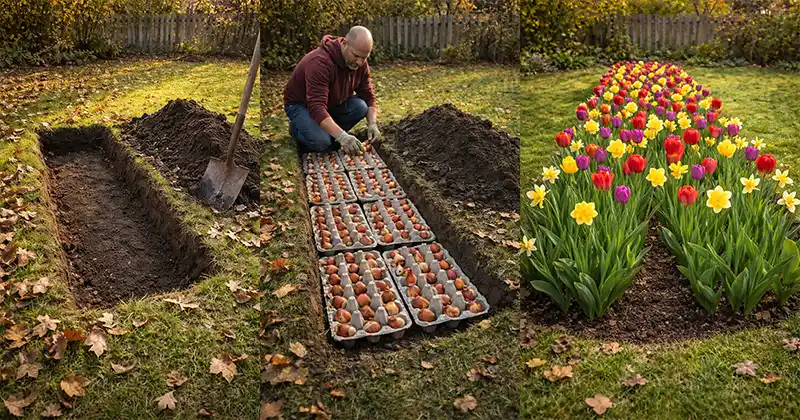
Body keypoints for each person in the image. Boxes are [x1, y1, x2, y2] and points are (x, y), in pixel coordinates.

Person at [283, 26, 381, 156]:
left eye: (364, 57)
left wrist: (372, 123)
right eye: (356, 56)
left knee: (361, 106)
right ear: (344, 43)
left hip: (330, 104)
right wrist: (342, 137)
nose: (359, 62)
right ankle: (297, 128)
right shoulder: (320, 63)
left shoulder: (361, 64)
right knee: (321, 142)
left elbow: (369, 97)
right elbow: (316, 107)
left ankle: (327, 132)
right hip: (301, 105)